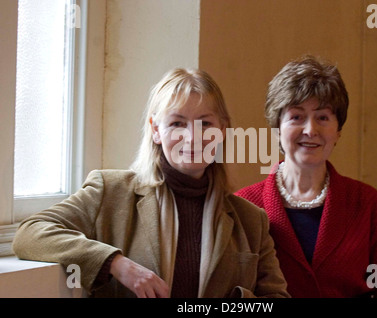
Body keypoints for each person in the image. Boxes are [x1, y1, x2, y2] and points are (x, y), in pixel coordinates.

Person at [13, 68, 290, 298]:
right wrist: (115, 263)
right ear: (156, 130)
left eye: (205, 123)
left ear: (223, 130)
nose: (192, 138)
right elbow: (31, 233)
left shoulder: (252, 220)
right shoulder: (110, 191)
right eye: (177, 124)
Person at [235, 56, 377, 298]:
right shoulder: (244, 206)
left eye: (323, 117)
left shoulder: (367, 204)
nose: (310, 130)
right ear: (277, 129)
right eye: (297, 117)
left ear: (338, 131)